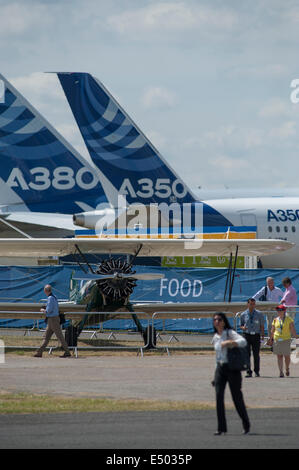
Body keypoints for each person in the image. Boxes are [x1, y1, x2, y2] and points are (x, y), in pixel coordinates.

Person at [212, 313, 250, 435]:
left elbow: (243, 341)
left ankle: (246, 423)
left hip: (232, 368)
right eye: (215, 320)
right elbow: (217, 357)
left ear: (224, 321)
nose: (217, 321)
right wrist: (215, 375)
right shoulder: (215, 337)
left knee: (236, 397)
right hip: (220, 369)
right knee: (218, 397)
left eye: (219, 319)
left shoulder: (229, 333)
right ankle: (221, 428)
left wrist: (230, 343)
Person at [34, 284, 71, 358]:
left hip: (52, 319)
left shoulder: (50, 298)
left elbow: (49, 311)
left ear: (45, 291)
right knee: (46, 337)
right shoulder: (54, 297)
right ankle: (39, 352)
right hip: (53, 319)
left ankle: (67, 352)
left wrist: (43, 310)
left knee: (58, 336)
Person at [268, 304, 297, 377]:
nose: (279, 311)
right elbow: (272, 330)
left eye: (281, 310)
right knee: (279, 356)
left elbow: (292, 330)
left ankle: (287, 368)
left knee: (287, 356)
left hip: (286, 339)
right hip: (277, 339)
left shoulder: (289, 319)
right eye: (278, 310)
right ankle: (281, 372)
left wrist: (296, 338)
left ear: (284, 311)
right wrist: (270, 339)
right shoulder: (275, 320)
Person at [239, 298, 264, 377]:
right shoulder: (243, 314)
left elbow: (262, 325)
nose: (252, 305)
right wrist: (243, 328)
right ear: (247, 304)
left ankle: (256, 371)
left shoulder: (259, 314)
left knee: (256, 354)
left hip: (256, 335)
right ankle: (248, 371)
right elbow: (241, 325)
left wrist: (262, 334)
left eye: (253, 304)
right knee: (247, 354)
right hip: (247, 335)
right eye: (251, 304)